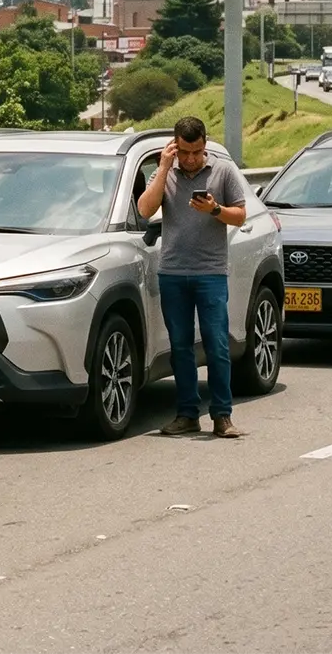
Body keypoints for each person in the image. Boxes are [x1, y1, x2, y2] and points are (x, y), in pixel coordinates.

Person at [136, 116, 249, 439]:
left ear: (205, 145)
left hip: (210, 272)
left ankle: (222, 415)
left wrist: (215, 210)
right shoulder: (165, 171)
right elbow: (146, 209)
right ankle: (187, 414)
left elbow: (240, 215)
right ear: (175, 145)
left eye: (197, 151)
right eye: (184, 152)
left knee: (216, 344)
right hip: (172, 271)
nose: (190, 158)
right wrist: (163, 167)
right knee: (180, 346)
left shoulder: (223, 171)